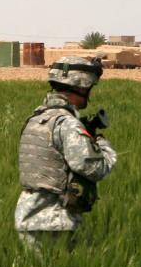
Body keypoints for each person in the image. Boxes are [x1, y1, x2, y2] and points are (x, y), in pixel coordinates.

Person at [14, 56, 118, 252]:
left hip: (27, 216)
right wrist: (102, 145)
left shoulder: (36, 118)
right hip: (56, 221)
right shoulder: (67, 123)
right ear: (81, 87)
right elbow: (93, 168)